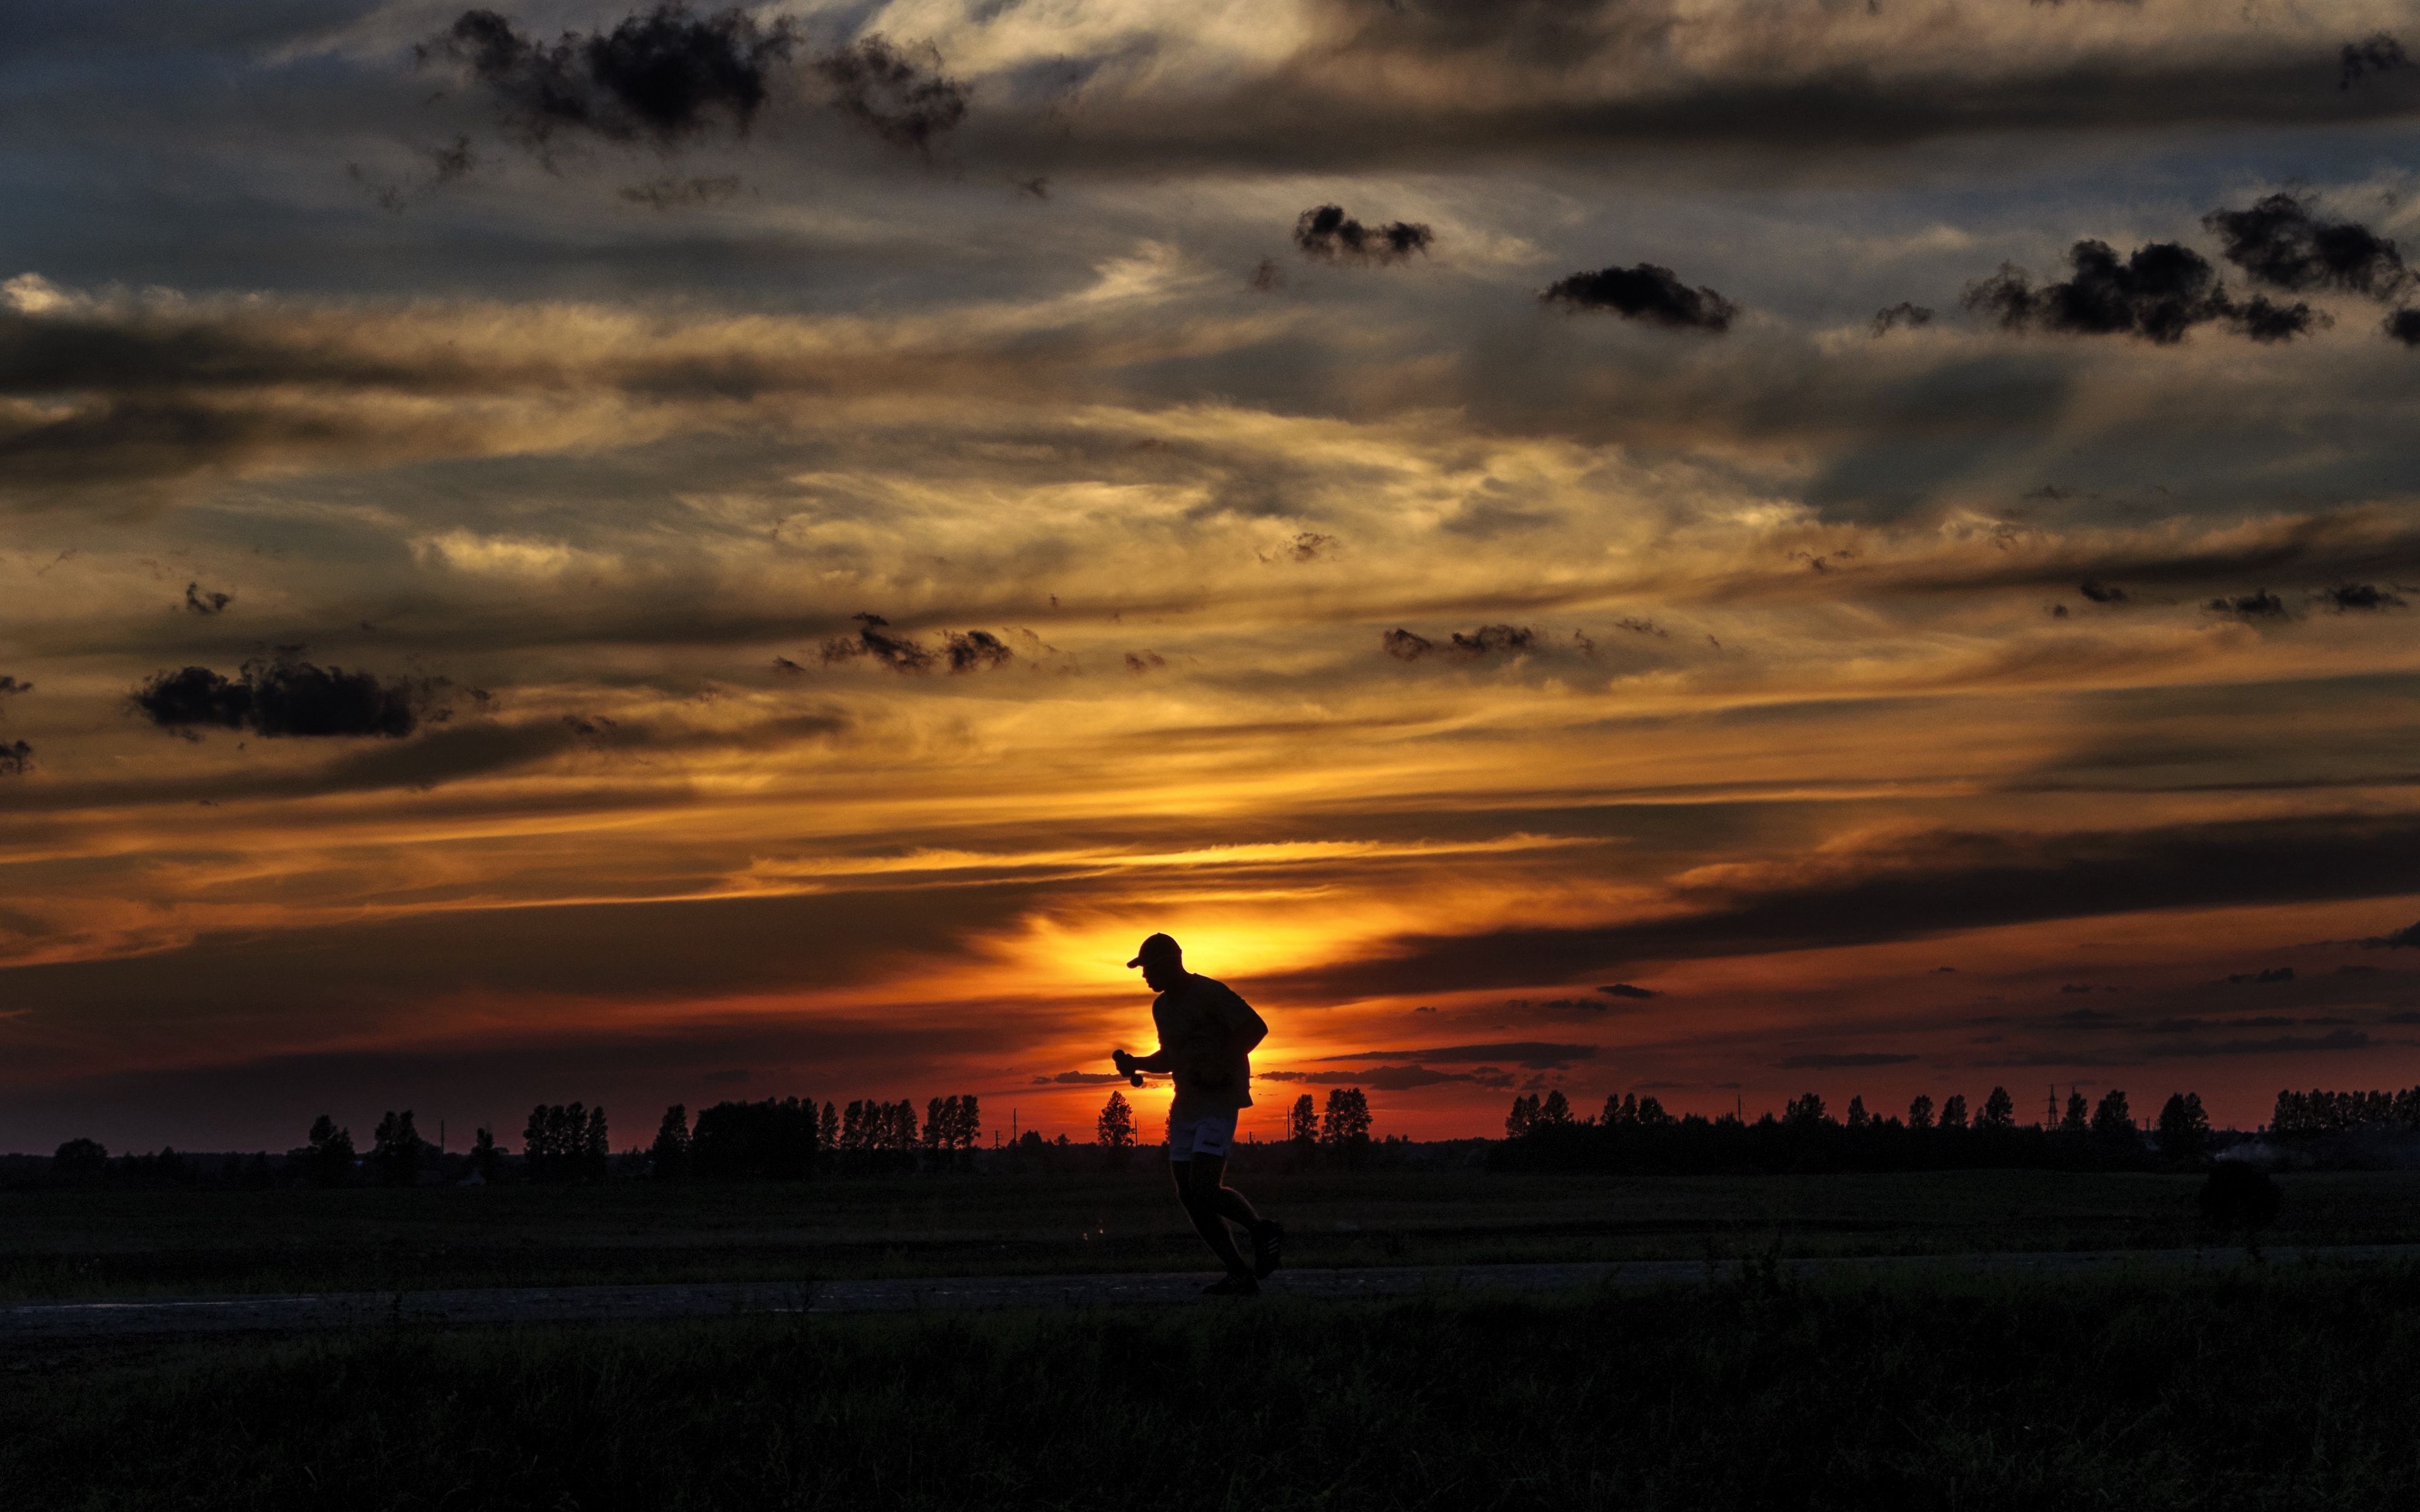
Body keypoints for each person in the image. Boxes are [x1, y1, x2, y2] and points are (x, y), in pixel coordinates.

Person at [1112, 932, 1284, 1295]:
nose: (1145, 976)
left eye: (1148, 968)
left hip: (1219, 1103)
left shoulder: (1209, 993)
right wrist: (1137, 1063)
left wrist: (1221, 1065)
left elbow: (1256, 1028)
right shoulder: (1162, 1008)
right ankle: (1239, 1274)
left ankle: (1261, 1231)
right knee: (1189, 1195)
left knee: (1204, 1187)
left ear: (1170, 963)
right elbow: (1171, 1057)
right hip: (1186, 1106)